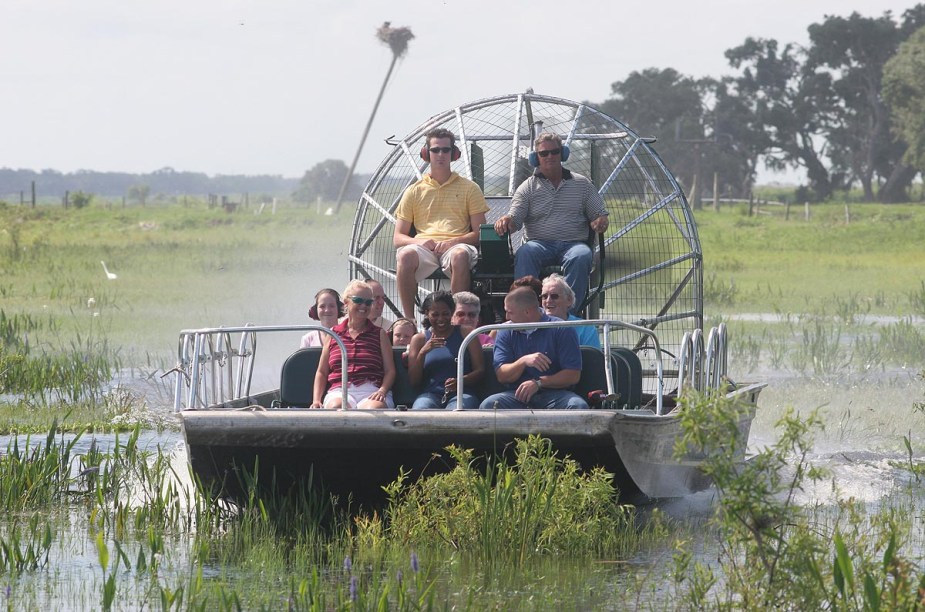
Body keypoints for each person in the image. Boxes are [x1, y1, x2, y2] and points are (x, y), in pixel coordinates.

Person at [494, 132, 609, 315]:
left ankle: (569, 314)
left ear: (562, 154)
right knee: (525, 252)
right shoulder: (527, 187)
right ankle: (527, 312)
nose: (549, 157)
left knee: (582, 256)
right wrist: (506, 220)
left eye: (554, 152)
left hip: (574, 244)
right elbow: (515, 219)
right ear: (535, 158)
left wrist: (600, 221)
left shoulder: (582, 184)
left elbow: (599, 214)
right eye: (544, 153)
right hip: (539, 244)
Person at [393, 128, 489, 319]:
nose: (440, 155)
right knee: (405, 256)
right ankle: (409, 320)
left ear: (453, 154)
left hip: (456, 246)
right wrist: (420, 242)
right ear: (426, 153)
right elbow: (398, 237)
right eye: (435, 150)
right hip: (424, 248)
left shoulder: (470, 188)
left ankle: (457, 319)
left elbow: (480, 233)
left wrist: (452, 242)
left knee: (460, 254)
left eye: (445, 150)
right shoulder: (413, 191)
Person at [479, 287, 588, 410]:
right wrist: (523, 361)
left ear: (527, 312)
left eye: (510, 312)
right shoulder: (505, 331)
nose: (507, 317)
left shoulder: (561, 329)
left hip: (556, 394)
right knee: (488, 405)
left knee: (578, 406)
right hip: (516, 395)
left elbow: (572, 375)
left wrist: (539, 383)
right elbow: (502, 375)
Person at [311, 280, 395, 409]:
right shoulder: (333, 334)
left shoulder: (380, 334)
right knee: (337, 406)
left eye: (368, 302)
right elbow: (322, 371)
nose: (364, 306)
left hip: (372, 390)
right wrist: (316, 400)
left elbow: (390, 371)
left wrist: (382, 391)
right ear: (346, 303)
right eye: (358, 300)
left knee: (373, 410)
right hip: (339, 390)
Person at [407, 291, 484, 410]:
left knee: (455, 413)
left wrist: (460, 381)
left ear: (452, 312)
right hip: (430, 395)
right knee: (420, 410)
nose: (441, 319)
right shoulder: (419, 340)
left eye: (445, 314)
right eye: (435, 315)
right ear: (427, 314)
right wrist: (422, 353)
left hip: (462, 394)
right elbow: (414, 381)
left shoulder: (466, 333)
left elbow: (480, 371)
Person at [541, 274, 601, 349]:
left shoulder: (586, 329)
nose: (548, 300)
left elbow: (593, 359)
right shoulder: (532, 326)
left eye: (554, 296)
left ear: (569, 300)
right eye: (544, 296)